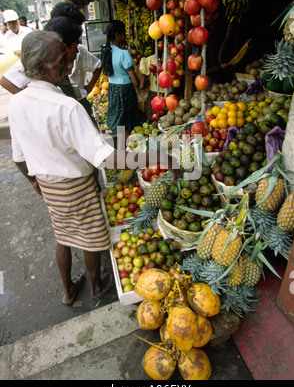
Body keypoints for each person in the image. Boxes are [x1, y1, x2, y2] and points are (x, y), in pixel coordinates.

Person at [8, 30, 179, 305]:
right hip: (76, 186)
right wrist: (157, 157)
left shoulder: (17, 103)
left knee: (62, 235)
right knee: (92, 238)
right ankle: (97, 285)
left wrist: (34, 183)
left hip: (49, 186)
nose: (70, 65)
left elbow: (18, 157)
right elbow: (108, 159)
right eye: (62, 60)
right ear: (41, 67)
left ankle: (68, 290)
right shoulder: (67, 107)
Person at [101, 20, 140, 150]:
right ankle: (125, 154)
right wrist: (143, 80)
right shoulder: (123, 54)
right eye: (123, 34)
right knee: (127, 125)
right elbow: (135, 82)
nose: (125, 36)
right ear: (118, 35)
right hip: (125, 91)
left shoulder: (106, 51)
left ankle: (121, 150)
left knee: (120, 125)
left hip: (113, 90)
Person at [139, 53, 173, 123]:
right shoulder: (172, 59)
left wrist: (151, 82)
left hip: (155, 97)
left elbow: (141, 86)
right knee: (169, 124)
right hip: (170, 97)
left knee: (154, 125)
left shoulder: (149, 60)